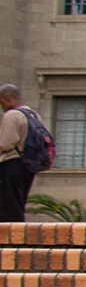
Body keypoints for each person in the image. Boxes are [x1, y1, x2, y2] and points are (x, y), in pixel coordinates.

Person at [0, 85, 34, 222]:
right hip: (28, 165)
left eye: (1, 101)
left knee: (9, 207)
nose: (1, 106)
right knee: (18, 204)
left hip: (11, 164)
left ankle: (11, 240)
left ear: (6, 98)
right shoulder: (32, 114)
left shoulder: (12, 115)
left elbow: (5, 144)